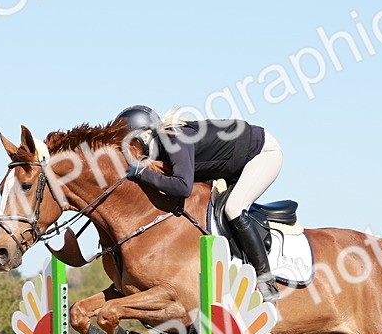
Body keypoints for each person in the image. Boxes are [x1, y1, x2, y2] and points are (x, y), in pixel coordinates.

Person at [115, 105, 283, 302]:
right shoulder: (163, 146)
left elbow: (183, 187)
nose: (132, 155)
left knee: (233, 207)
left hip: (261, 153)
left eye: (133, 146)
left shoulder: (174, 140)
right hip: (231, 163)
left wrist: (143, 175)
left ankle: (266, 280)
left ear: (145, 136)